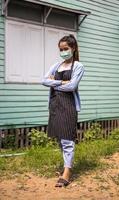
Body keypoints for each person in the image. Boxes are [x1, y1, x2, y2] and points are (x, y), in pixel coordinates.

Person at [41, 34, 84, 187]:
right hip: (55, 105)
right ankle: (66, 165)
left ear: (73, 48)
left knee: (67, 139)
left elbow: (72, 86)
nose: (63, 51)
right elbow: (44, 80)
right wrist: (61, 81)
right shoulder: (56, 65)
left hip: (68, 105)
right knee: (60, 138)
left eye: (66, 49)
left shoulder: (78, 66)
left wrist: (54, 82)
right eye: (61, 49)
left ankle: (67, 172)